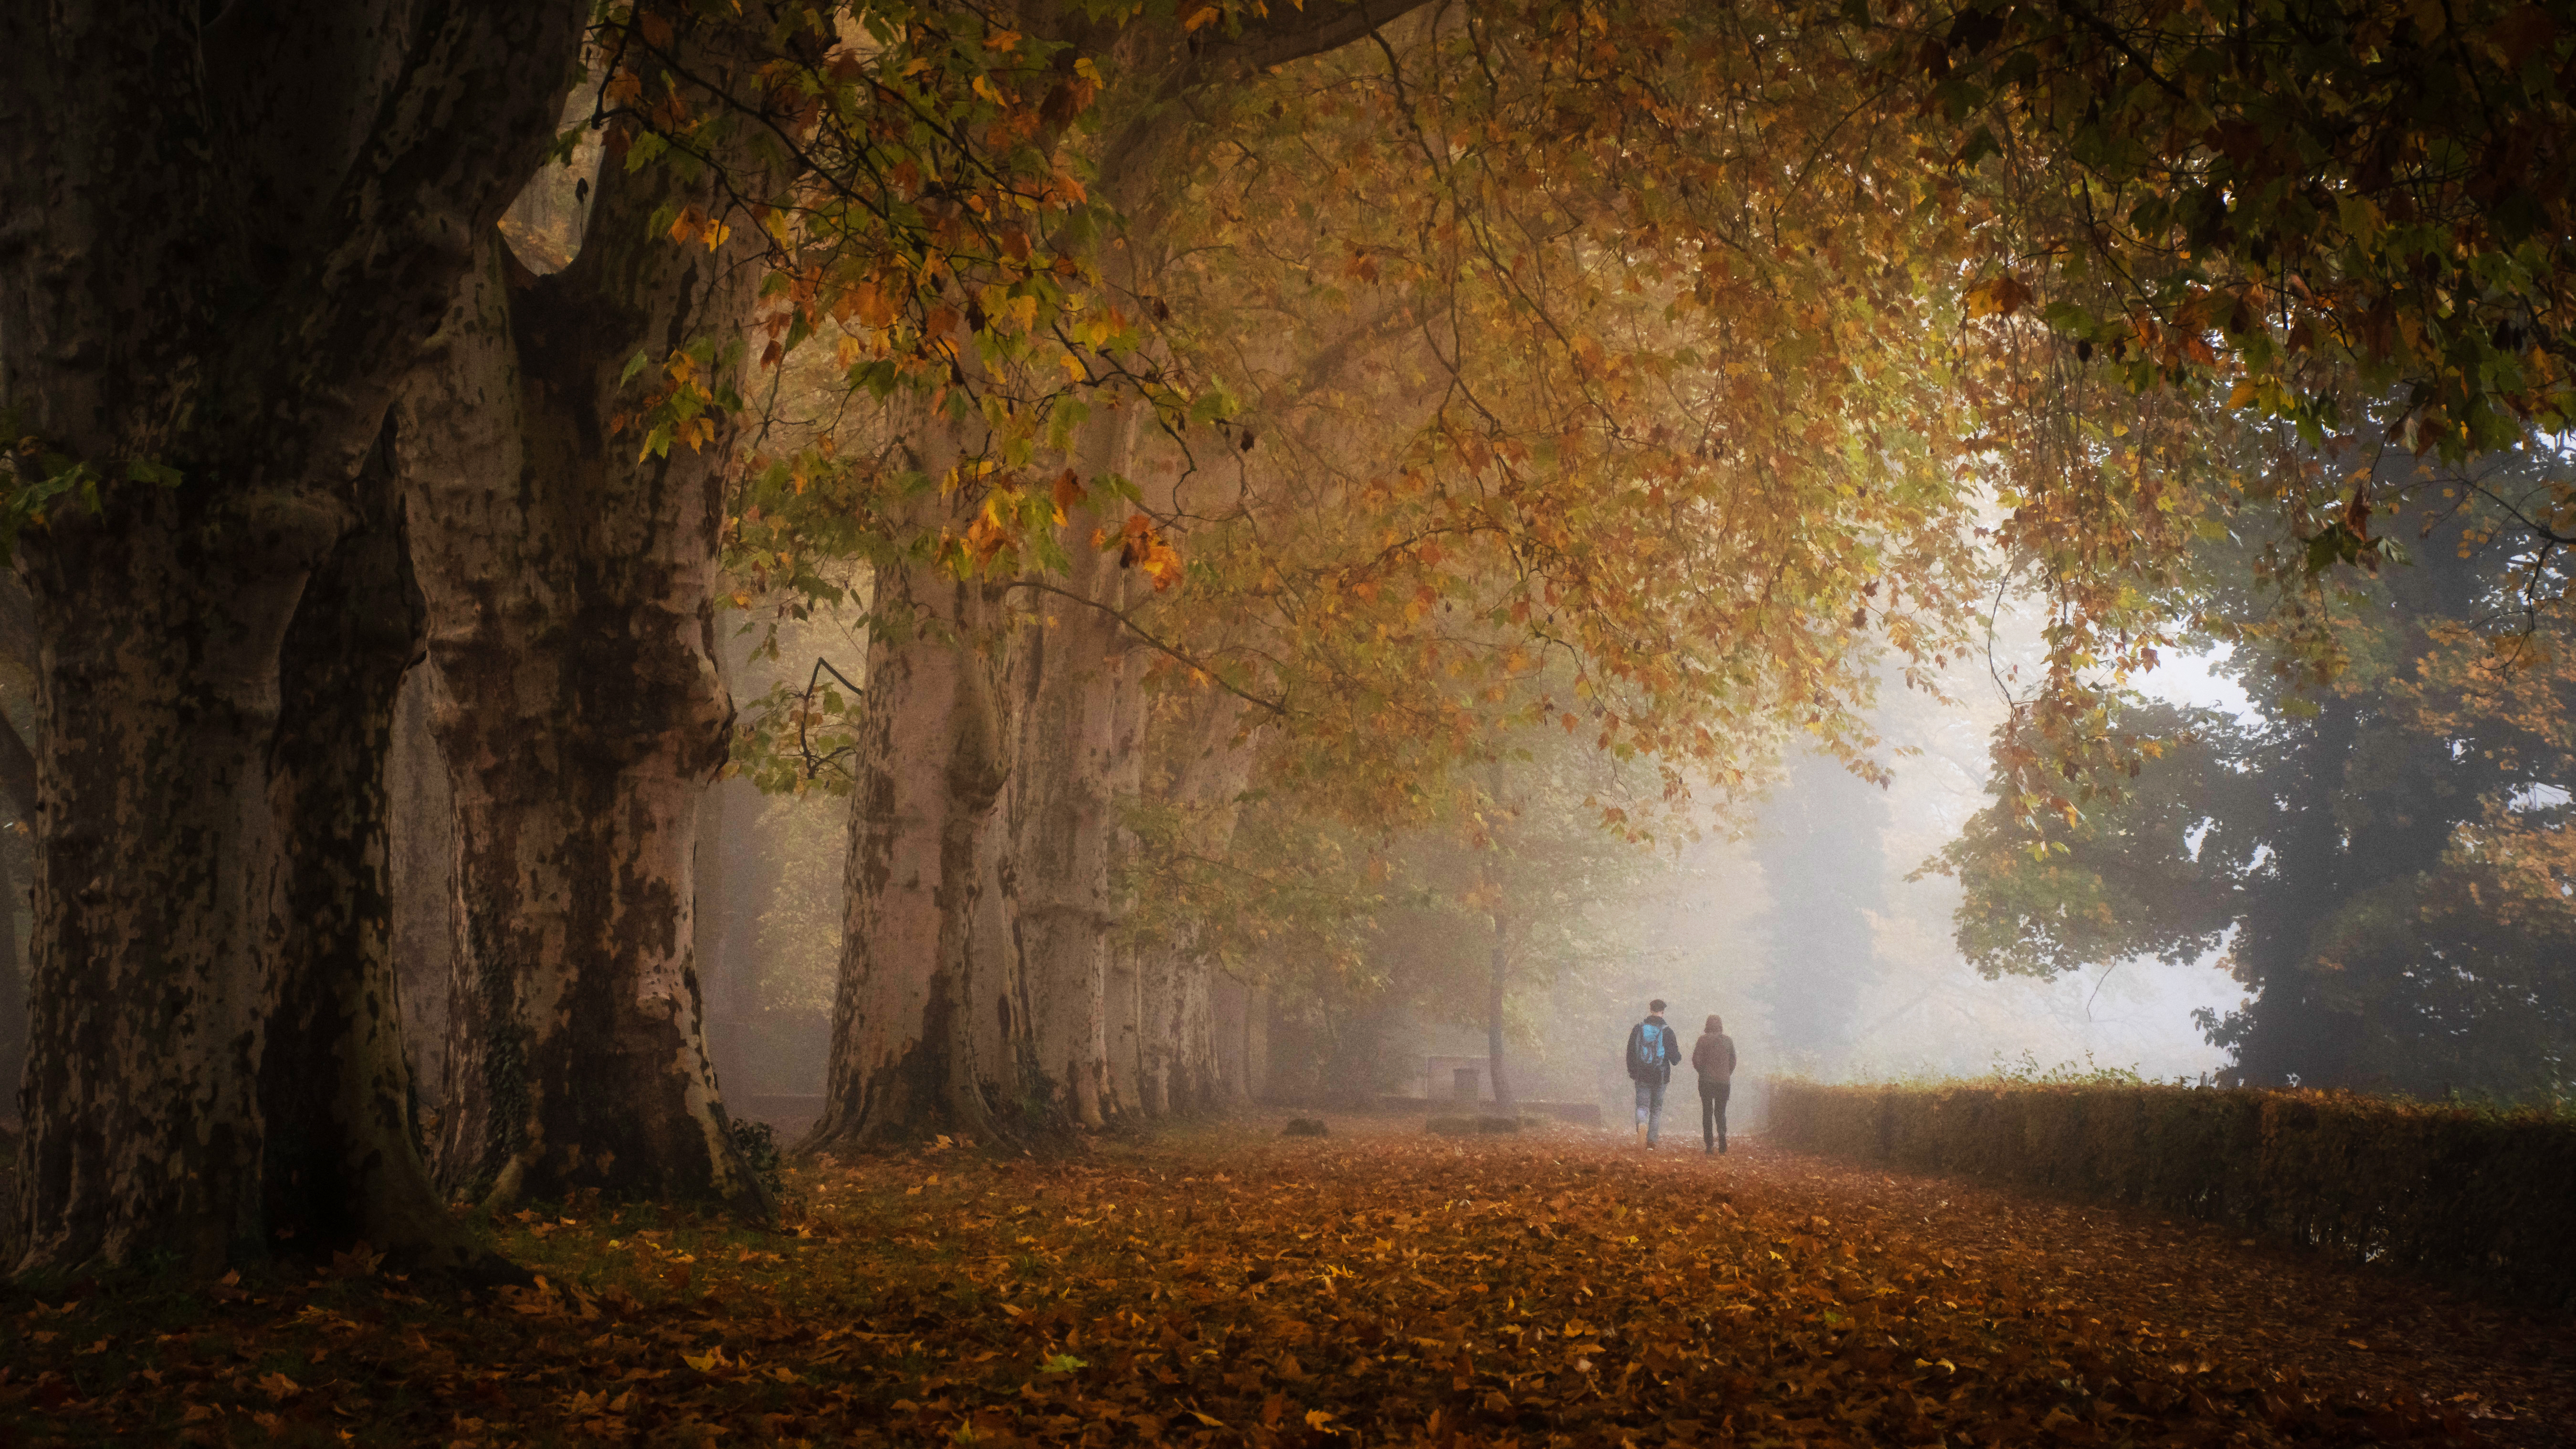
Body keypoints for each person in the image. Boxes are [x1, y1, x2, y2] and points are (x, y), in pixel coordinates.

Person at [1623, 999, 1682, 1149]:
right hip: (1660, 1077)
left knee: (1642, 1107)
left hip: (1642, 1075)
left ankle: (1642, 1124)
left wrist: (1633, 1072)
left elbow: (1631, 1053)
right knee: (1656, 1109)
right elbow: (1675, 1059)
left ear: (1651, 1011)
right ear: (1662, 1012)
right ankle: (1651, 1142)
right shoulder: (1667, 1031)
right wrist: (1677, 1056)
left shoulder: (1638, 1029)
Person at [1692, 1013, 1738, 1155]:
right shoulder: (1728, 1041)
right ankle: (1722, 1136)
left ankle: (1709, 1145)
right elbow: (1733, 1062)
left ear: (1707, 1026)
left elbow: (1696, 1060)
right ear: (1720, 1026)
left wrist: (1703, 1072)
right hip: (1724, 1083)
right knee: (1721, 1111)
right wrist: (1725, 1074)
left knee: (1707, 1112)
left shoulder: (1702, 1041)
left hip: (1706, 1081)